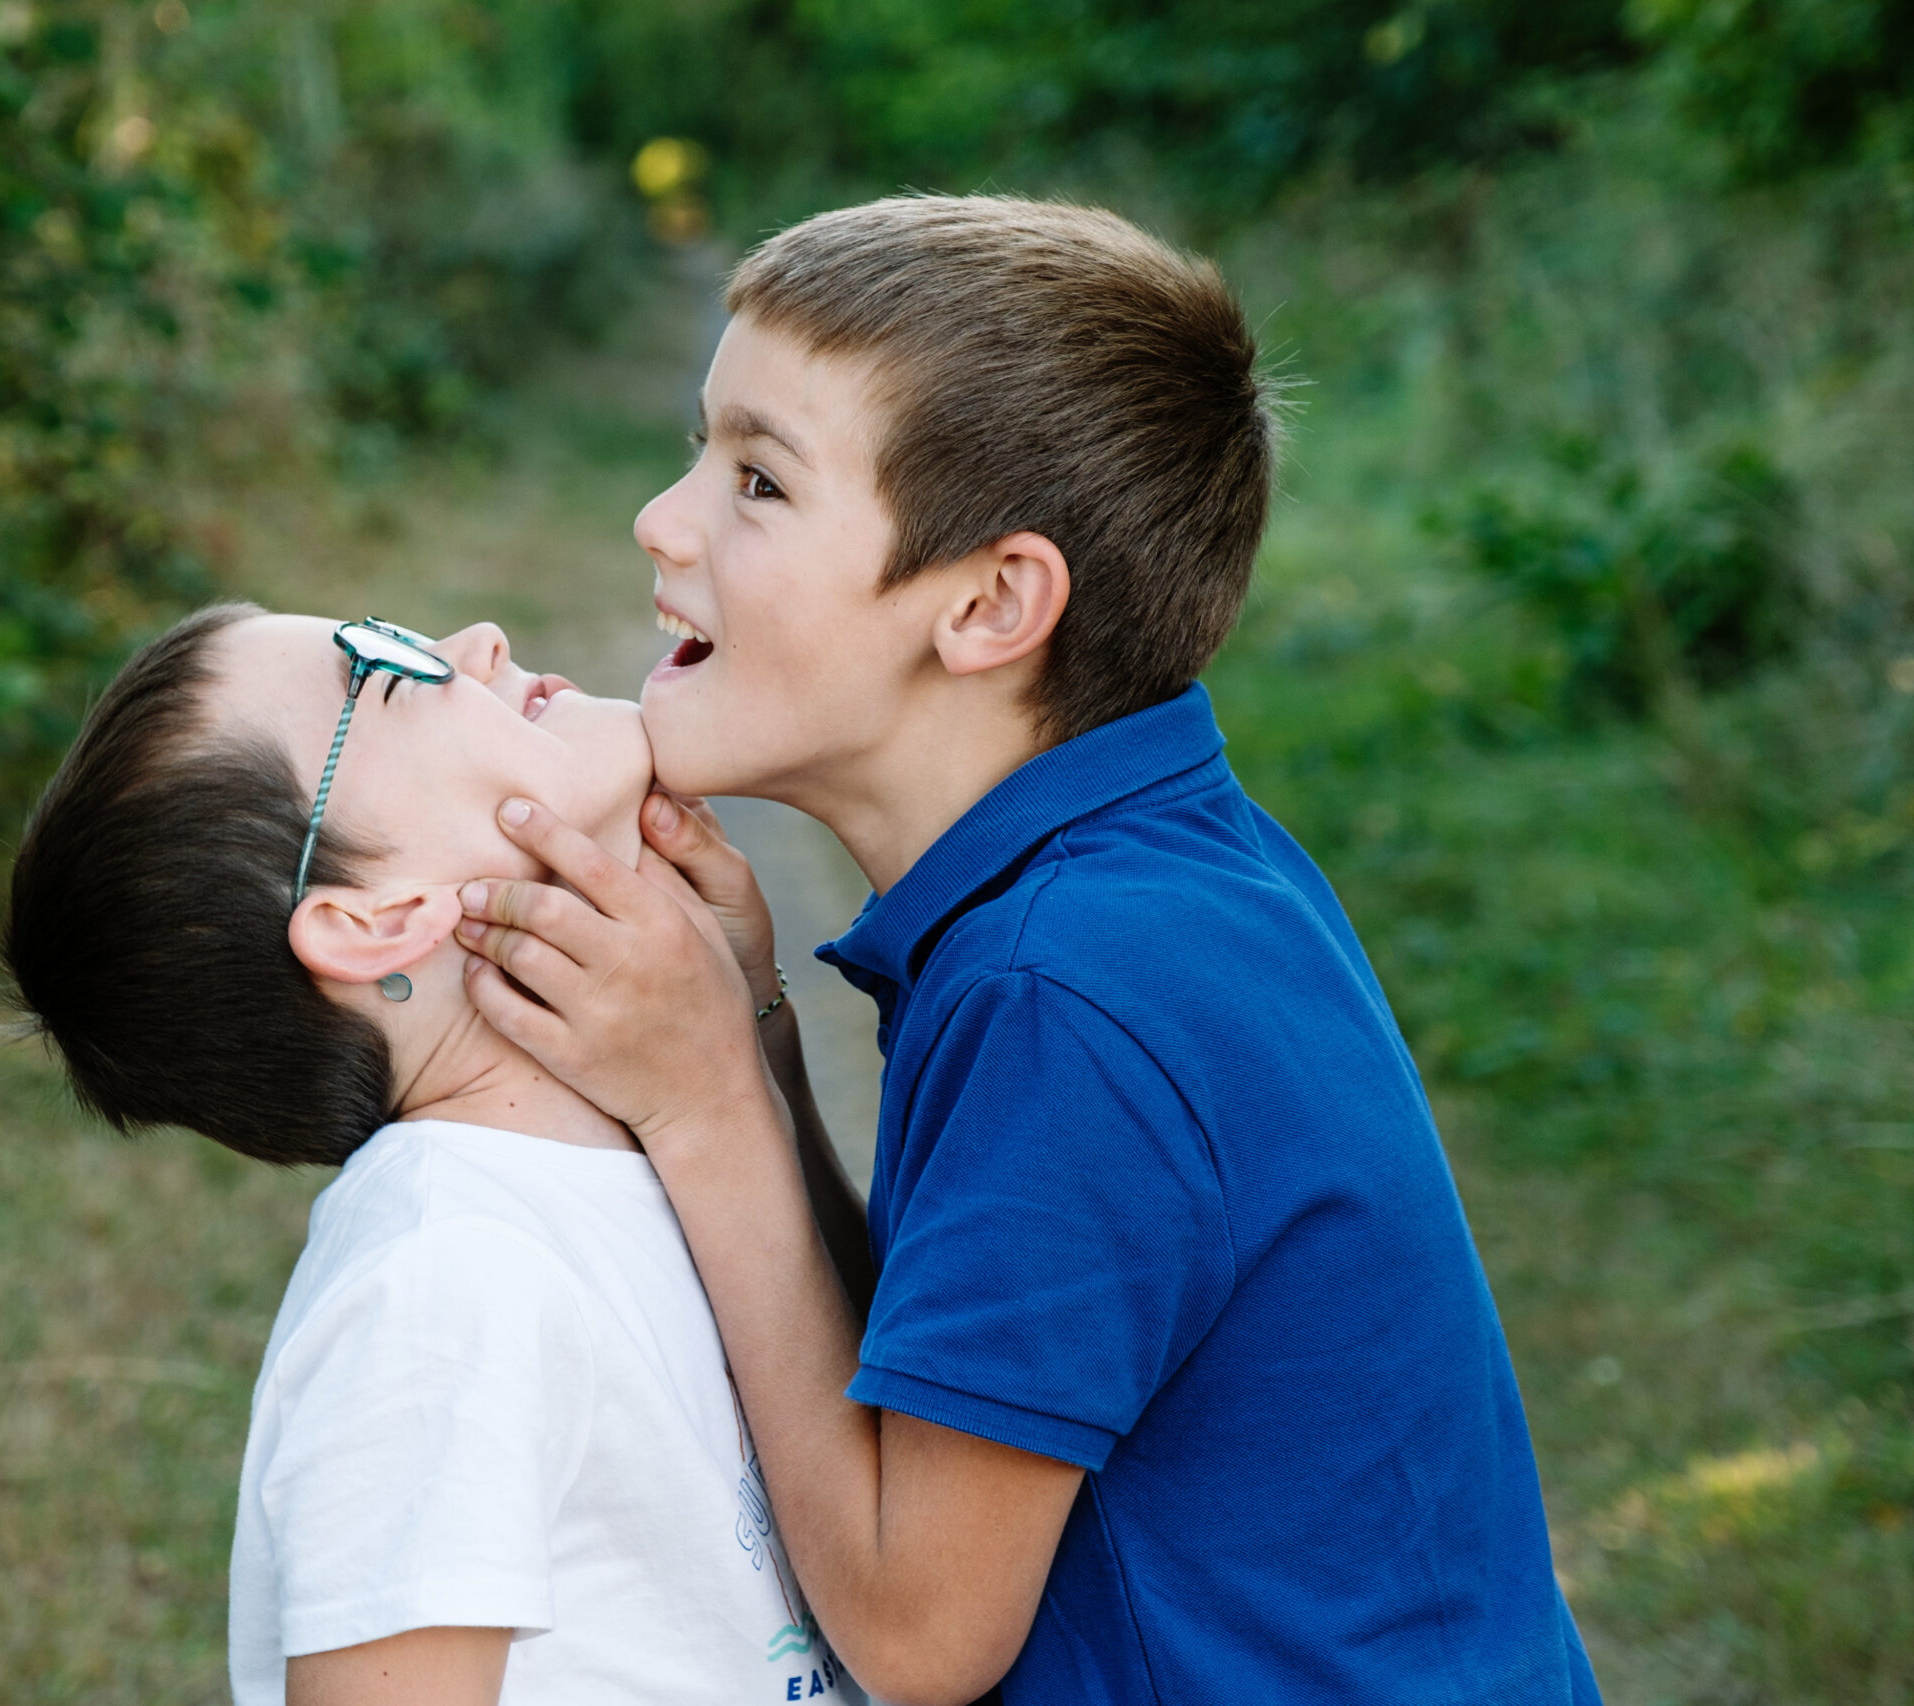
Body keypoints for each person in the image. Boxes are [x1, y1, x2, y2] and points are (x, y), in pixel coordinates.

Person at [454, 196, 1602, 1705]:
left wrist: (704, 1105)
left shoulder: (1068, 990)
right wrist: (753, 1047)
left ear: (991, 603)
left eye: (755, 480)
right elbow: (936, 1392)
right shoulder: (1149, 879)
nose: (662, 522)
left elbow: (916, 1629)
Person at [1, 603, 864, 1706]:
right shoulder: (440, 1278)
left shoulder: (648, 1156)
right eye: (390, 668)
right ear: (372, 918)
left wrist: (750, 1032)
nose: (481, 638)